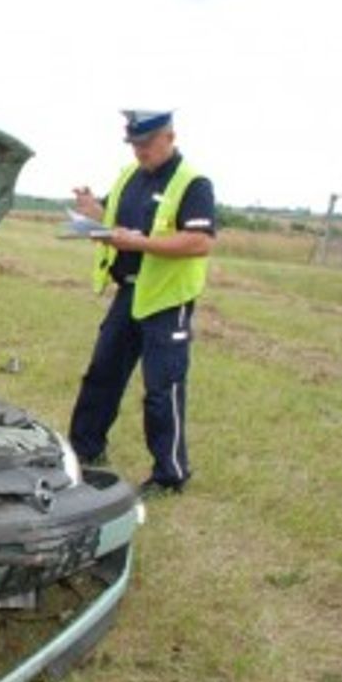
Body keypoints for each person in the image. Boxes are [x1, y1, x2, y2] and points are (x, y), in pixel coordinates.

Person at [68, 110, 217, 496]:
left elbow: (199, 242)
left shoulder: (193, 183)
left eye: (146, 144)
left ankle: (170, 475)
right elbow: (116, 220)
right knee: (102, 373)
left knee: (161, 388)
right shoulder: (129, 176)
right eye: (134, 144)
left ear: (170, 136)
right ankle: (85, 451)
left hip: (168, 299)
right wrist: (93, 214)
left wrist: (140, 243)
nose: (140, 152)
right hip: (129, 292)